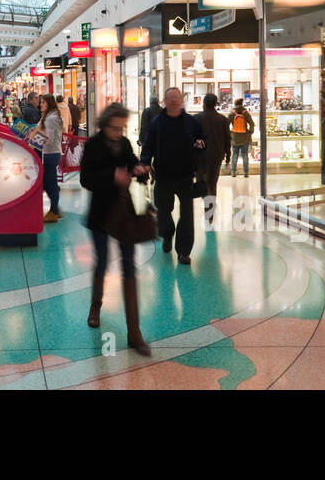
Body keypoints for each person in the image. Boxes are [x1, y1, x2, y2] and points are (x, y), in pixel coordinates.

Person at [80, 101, 150, 355]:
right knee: (102, 262)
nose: (120, 132)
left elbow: (132, 165)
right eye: (115, 128)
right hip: (101, 213)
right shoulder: (93, 146)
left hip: (124, 213)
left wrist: (140, 171)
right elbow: (85, 179)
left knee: (129, 265)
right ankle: (95, 306)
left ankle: (134, 331)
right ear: (105, 125)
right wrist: (112, 177)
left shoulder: (125, 144)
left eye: (123, 128)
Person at [141, 88, 205, 264]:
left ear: (182, 101)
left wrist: (202, 142)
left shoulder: (191, 122)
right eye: (171, 98)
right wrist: (145, 162)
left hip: (185, 175)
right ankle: (167, 234)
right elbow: (148, 145)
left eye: (177, 98)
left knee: (187, 215)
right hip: (163, 175)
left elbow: (202, 137)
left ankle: (184, 251)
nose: (174, 101)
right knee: (163, 211)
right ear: (164, 101)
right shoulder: (157, 122)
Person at [195, 93, 231, 221]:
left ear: (204, 104)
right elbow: (228, 138)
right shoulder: (223, 120)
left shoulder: (197, 118)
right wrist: (228, 154)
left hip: (200, 157)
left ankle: (207, 208)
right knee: (212, 184)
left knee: (202, 184)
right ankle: (210, 212)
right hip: (216, 156)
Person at [34, 94, 64, 223]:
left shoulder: (50, 118)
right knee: (49, 183)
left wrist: (34, 141)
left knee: (50, 184)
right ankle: (55, 208)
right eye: (41, 102)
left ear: (49, 104)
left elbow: (49, 138)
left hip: (51, 154)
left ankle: (53, 211)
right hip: (51, 153)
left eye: (43, 102)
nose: (41, 104)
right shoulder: (50, 116)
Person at [227, 98, 255, 177]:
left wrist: (230, 133)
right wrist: (250, 132)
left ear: (235, 104)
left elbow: (226, 124)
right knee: (245, 154)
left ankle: (233, 172)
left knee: (234, 154)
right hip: (245, 137)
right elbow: (252, 124)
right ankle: (246, 173)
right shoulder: (245, 113)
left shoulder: (232, 113)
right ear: (242, 103)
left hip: (235, 137)